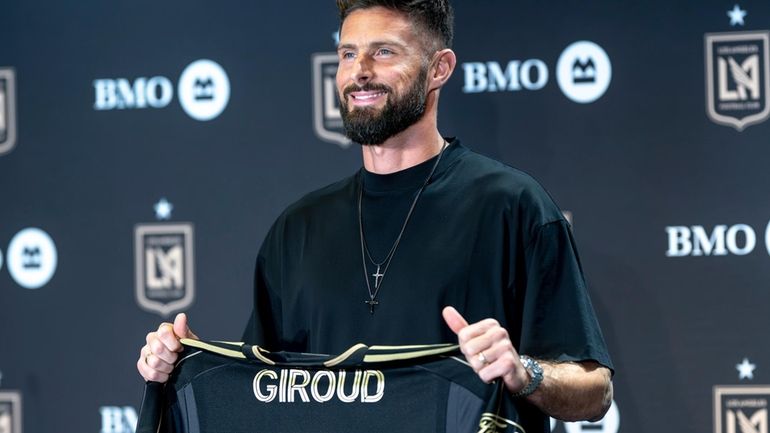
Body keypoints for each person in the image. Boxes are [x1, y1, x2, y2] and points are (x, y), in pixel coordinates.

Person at [137, 0, 614, 427]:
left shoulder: (514, 206)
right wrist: (191, 365)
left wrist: (520, 371)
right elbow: (266, 392)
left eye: (384, 52)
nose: (359, 71)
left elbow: (594, 392)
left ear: (439, 68)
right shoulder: (298, 227)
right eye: (348, 54)